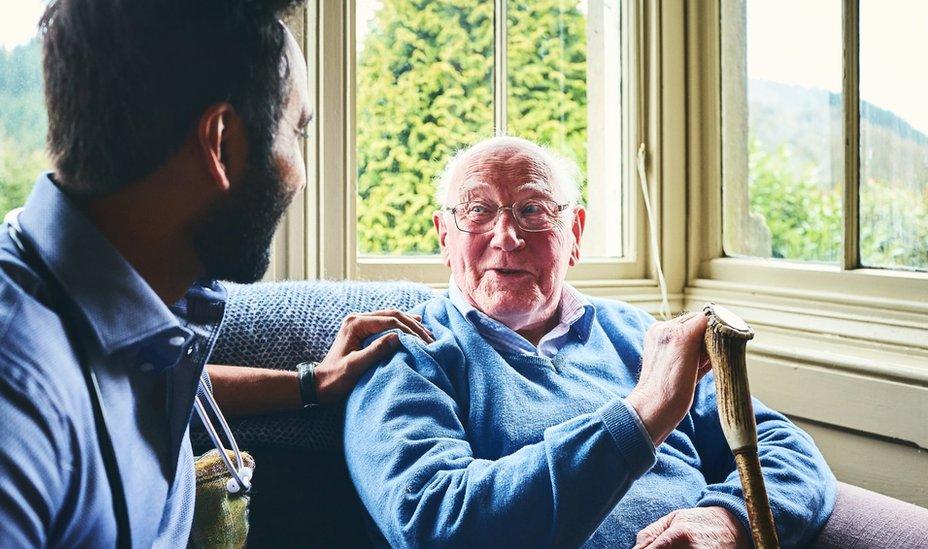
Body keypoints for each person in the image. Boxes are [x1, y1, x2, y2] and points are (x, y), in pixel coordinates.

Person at [0, 0, 430, 546]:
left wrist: (312, 384)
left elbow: (131, 388)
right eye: (295, 135)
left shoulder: (121, 309)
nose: (299, 177)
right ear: (221, 144)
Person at [343, 136, 837, 548]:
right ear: (444, 238)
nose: (507, 236)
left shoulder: (637, 335)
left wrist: (730, 519)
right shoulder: (402, 354)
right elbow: (434, 520)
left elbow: (785, 447)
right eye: (477, 210)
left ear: (574, 233)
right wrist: (640, 417)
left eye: (533, 210)